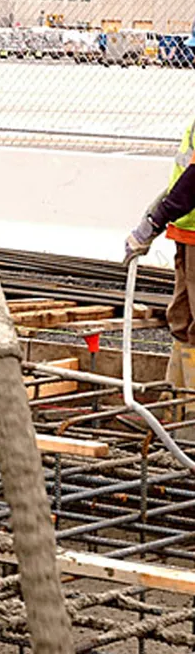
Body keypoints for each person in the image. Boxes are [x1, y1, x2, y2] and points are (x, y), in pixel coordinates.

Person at [124, 112, 195, 433]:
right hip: (187, 231)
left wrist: (153, 222)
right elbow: (186, 171)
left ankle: (190, 425)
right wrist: (157, 213)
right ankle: (174, 409)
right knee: (181, 319)